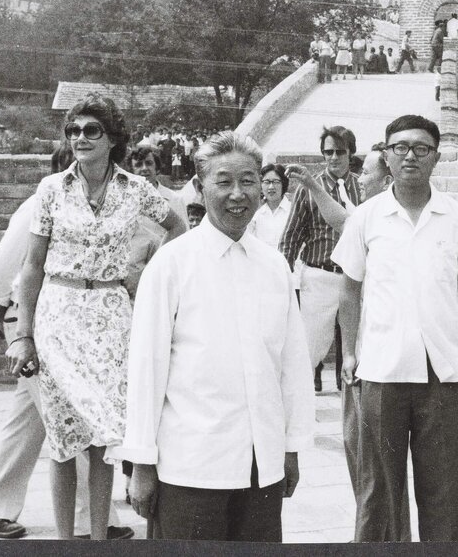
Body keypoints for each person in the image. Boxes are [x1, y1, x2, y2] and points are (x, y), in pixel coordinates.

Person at [116, 132, 315, 542]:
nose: (238, 194)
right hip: (190, 466)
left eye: (249, 180)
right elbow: (146, 368)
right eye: (224, 182)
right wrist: (141, 463)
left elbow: (292, 363)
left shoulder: (274, 265)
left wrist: (290, 447)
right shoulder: (172, 264)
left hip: (261, 466)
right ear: (200, 186)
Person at [5, 96, 185, 540]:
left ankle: (99, 539)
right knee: (63, 440)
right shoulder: (50, 190)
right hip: (58, 314)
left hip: (110, 315)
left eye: (91, 130)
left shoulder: (136, 189)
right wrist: (22, 335)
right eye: (74, 130)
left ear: (113, 139)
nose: (80, 138)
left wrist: (145, 270)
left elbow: (178, 228)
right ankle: (67, 541)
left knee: (103, 435)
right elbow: (31, 267)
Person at [334, 115, 458, 541]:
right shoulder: (366, 218)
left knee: (449, 491)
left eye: (421, 148)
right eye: (400, 147)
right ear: (386, 155)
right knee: (379, 490)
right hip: (382, 370)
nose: (410, 155)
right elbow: (349, 291)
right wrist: (350, 352)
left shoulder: (457, 217)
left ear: (436, 157)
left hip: (443, 372)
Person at [0, 144, 134, 540]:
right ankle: (89, 523)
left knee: (30, 420)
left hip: (64, 326)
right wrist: (5, 319)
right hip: (33, 326)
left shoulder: (102, 206)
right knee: (75, 421)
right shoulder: (39, 204)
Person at [289, 145, 410, 540]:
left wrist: (353, 352)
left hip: (379, 356)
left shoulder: (382, 218)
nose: (363, 180)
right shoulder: (379, 216)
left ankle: (377, 535)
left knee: (367, 451)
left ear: (386, 178)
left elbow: (340, 219)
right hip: (375, 352)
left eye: (369, 175)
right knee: (367, 452)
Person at [279, 126, 361, 392]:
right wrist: (281, 276)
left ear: (351, 153)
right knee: (308, 349)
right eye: (328, 152)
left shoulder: (362, 186)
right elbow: (291, 234)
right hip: (321, 274)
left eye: (340, 151)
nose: (334, 158)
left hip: (357, 279)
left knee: (359, 348)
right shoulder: (308, 188)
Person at [128, 147, 189, 231]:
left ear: (156, 167)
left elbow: (184, 235)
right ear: (131, 170)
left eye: (149, 163)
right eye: (138, 165)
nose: (144, 168)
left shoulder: (175, 199)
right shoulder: (124, 199)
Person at [248, 163, 292, 248]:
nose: (271, 187)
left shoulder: (293, 211)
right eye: (267, 182)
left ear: (283, 184)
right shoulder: (256, 213)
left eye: (276, 182)